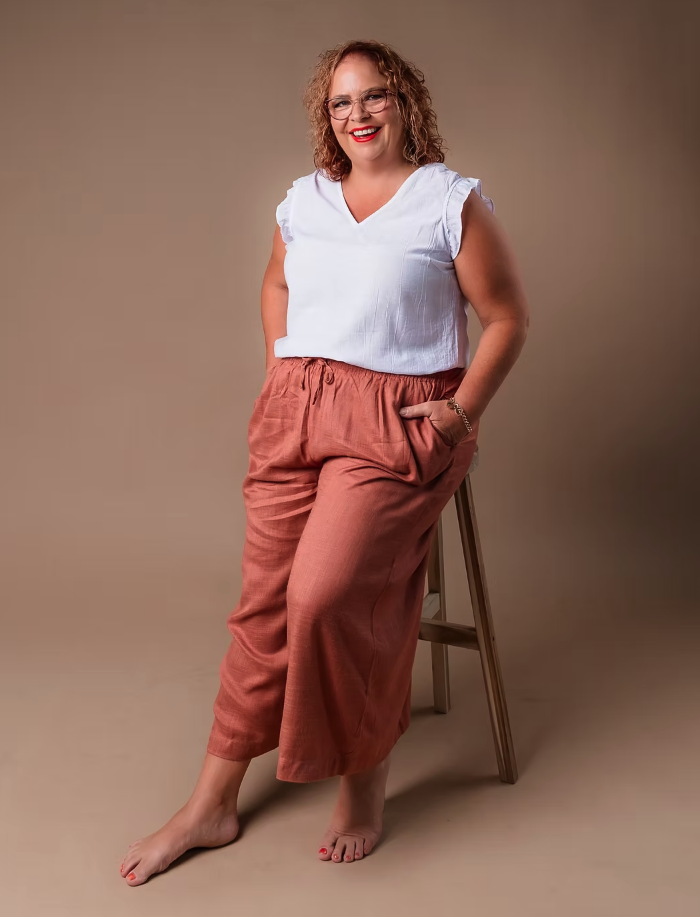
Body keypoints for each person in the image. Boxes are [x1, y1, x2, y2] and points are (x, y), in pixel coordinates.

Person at [120, 39, 529, 885]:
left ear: (405, 101)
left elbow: (508, 317)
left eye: (375, 96)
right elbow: (276, 286)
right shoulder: (302, 203)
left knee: (323, 593)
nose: (359, 115)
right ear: (326, 117)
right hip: (295, 415)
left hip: (396, 422)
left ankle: (364, 770)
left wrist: (458, 416)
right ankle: (212, 802)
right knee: (264, 607)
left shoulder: (445, 202)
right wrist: (283, 365)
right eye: (342, 103)